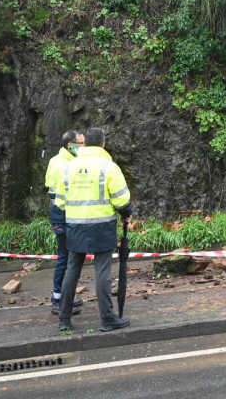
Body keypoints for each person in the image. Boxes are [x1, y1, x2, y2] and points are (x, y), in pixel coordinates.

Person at [56, 127, 132, 332]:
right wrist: (127, 212)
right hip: (101, 226)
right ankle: (107, 318)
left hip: (75, 225)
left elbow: (60, 201)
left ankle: (64, 318)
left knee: (72, 269)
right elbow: (122, 199)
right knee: (103, 272)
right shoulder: (108, 166)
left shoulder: (69, 167)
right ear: (103, 144)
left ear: (85, 144)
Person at [44, 130, 85, 316]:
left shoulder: (57, 160)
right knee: (65, 259)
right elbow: (64, 197)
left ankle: (64, 297)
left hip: (61, 216)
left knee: (68, 259)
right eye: (82, 143)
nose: (85, 146)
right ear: (71, 145)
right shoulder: (64, 165)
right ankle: (58, 300)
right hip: (64, 217)